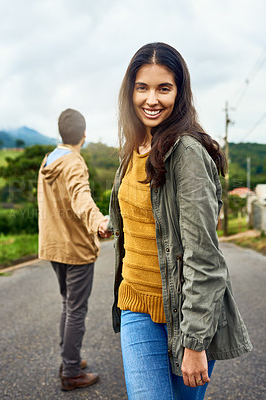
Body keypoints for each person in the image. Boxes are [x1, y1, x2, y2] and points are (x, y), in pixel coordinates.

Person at [108, 43, 252, 400]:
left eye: (164, 88)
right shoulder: (134, 146)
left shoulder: (185, 152)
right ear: (130, 91)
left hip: (185, 317)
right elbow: (135, 222)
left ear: (180, 92)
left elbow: (204, 257)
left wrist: (194, 342)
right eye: (142, 87)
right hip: (135, 306)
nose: (151, 99)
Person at [38, 108, 109, 391]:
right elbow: (82, 197)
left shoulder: (49, 159)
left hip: (53, 245)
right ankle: (71, 372)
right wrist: (99, 222)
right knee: (76, 309)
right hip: (76, 248)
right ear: (83, 134)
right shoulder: (74, 162)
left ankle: (70, 358)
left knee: (68, 305)